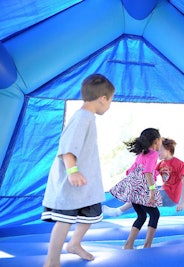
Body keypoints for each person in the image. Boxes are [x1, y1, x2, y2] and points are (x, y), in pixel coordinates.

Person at [41, 74, 115, 267]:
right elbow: (67, 148)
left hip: (85, 182)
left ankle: (74, 244)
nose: (109, 106)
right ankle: (52, 260)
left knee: (91, 214)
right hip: (72, 181)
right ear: (103, 99)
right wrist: (72, 171)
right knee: (65, 220)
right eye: (110, 101)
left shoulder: (87, 117)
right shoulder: (82, 117)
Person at [103, 137, 184, 215]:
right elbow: (149, 175)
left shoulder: (180, 164)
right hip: (163, 192)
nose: (157, 152)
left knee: (141, 196)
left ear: (168, 149)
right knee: (140, 195)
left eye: (159, 150)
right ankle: (128, 212)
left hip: (171, 196)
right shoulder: (161, 164)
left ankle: (119, 211)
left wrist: (183, 202)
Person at [108, 128, 163, 249]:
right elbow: (148, 172)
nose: (161, 143)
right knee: (155, 215)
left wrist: (132, 187)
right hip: (143, 188)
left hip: (134, 188)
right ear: (156, 141)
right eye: (160, 140)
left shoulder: (142, 152)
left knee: (142, 216)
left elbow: (130, 170)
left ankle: (128, 244)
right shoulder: (153, 154)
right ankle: (147, 245)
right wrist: (152, 192)